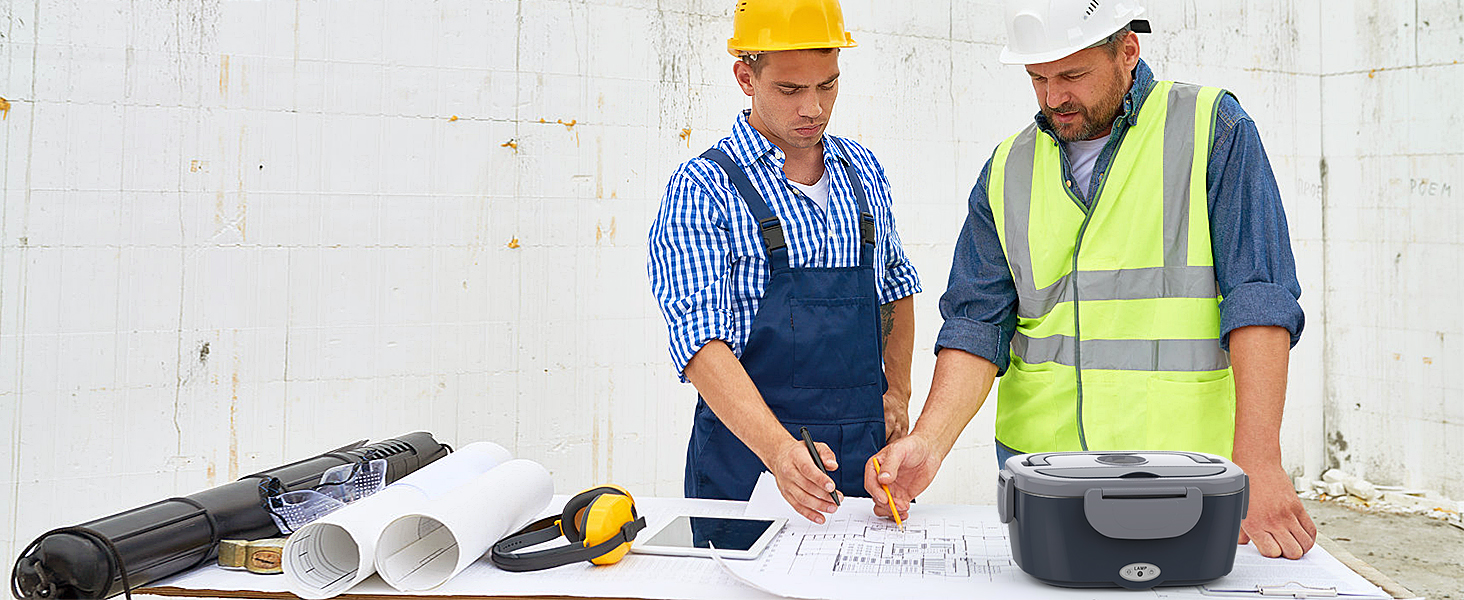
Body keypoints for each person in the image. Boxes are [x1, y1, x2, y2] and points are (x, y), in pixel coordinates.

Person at [865, 0, 1317, 559]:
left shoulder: (1212, 130)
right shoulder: (1008, 167)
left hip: (1181, 475)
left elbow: (1261, 300)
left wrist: (1260, 459)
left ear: (1128, 50)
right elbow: (976, 324)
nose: (1054, 97)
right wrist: (928, 444)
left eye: (1072, 74)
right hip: (1042, 481)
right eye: (1038, 78)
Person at [647, 0, 921, 524]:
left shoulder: (861, 170)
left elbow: (895, 288)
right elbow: (699, 344)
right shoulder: (704, 188)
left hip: (864, 460)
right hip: (747, 465)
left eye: (828, 85)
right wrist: (778, 452)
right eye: (791, 90)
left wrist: (898, 394)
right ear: (745, 77)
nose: (814, 108)